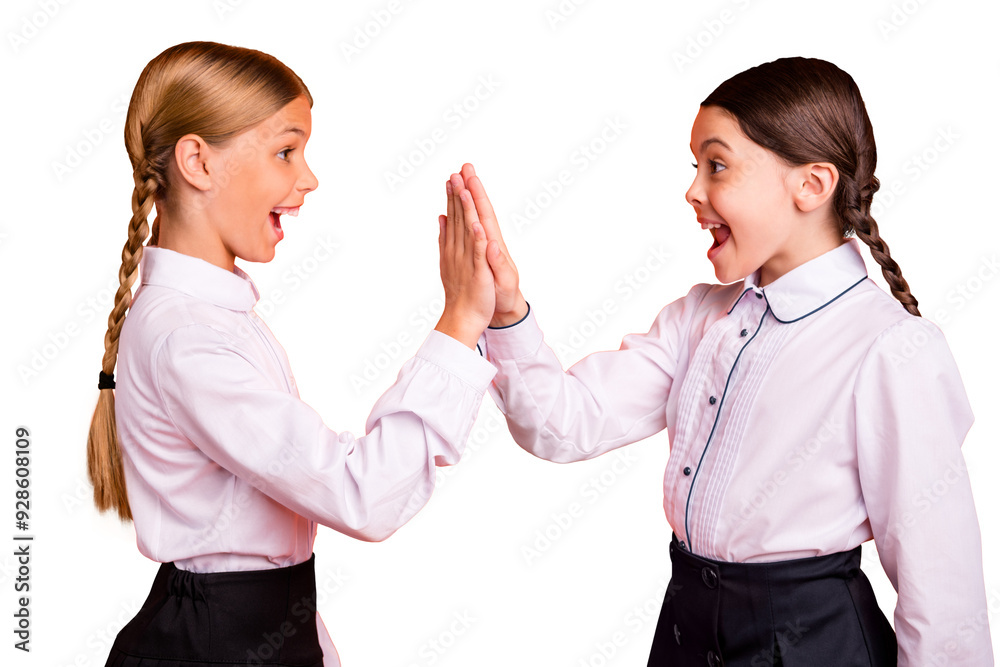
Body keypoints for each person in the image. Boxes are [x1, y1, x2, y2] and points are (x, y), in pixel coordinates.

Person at [451, 57, 994, 666]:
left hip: (816, 647)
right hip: (685, 635)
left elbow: (943, 590)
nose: (692, 191)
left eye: (718, 166)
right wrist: (503, 310)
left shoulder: (890, 349)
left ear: (812, 185)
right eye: (695, 168)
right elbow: (561, 426)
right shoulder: (698, 318)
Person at [86, 41, 497, 667]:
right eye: (285, 151)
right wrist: (460, 321)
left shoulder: (213, 319)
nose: (308, 177)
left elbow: (275, 559)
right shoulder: (189, 339)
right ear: (197, 160)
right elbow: (363, 496)